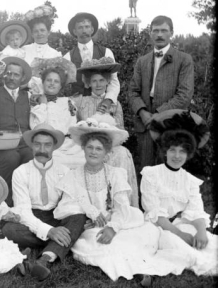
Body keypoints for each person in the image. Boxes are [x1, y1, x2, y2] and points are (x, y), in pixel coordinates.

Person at [54, 122, 173, 284]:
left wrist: (113, 227)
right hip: (91, 225)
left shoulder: (115, 174)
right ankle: (136, 271)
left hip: (118, 221)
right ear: (83, 148)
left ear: (107, 153)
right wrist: (88, 213)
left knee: (136, 237)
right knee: (105, 244)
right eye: (90, 147)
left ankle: (141, 269)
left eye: (98, 149)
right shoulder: (73, 176)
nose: (93, 152)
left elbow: (122, 206)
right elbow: (65, 208)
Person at [2, 124, 87, 281]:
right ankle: (65, 240)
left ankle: (44, 259)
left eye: (47, 144)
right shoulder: (20, 172)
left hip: (56, 214)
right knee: (9, 230)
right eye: (37, 144)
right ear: (31, 146)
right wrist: (49, 231)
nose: (42, 149)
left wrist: (55, 226)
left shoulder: (65, 171)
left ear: (54, 147)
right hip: (31, 216)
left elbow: (69, 205)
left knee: (78, 217)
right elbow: (23, 211)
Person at [141, 110, 217, 277]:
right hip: (156, 226)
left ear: (188, 154)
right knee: (183, 249)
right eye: (173, 150)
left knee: (210, 245)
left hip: (178, 224)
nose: (177, 156)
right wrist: (182, 236)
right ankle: (149, 268)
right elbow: (156, 214)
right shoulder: (151, 174)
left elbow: (196, 210)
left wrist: (202, 231)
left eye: (182, 151)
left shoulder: (190, 180)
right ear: (165, 151)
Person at [128, 16, 194, 171]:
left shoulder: (184, 59)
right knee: (146, 171)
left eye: (164, 30)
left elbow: (184, 94)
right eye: (155, 31)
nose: (159, 35)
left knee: (169, 171)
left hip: (171, 123)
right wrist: (143, 112)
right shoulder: (142, 61)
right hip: (145, 124)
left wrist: (158, 114)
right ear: (150, 33)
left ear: (171, 32)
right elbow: (133, 91)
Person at [73, 57, 139, 206]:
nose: (98, 85)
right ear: (88, 83)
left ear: (108, 82)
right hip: (86, 145)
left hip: (109, 146)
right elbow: (75, 124)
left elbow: (120, 131)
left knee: (122, 153)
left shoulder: (114, 104)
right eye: (94, 81)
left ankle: (120, 203)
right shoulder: (80, 102)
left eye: (101, 80)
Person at [0, 57, 34, 206]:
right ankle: (5, 199)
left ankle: (26, 200)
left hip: (23, 144)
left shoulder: (29, 96)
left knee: (31, 156)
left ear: (22, 78)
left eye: (16, 74)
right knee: (11, 157)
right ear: (3, 75)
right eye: (8, 73)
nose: (11, 77)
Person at [29, 57, 84, 170]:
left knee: (84, 160)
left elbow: (74, 124)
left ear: (61, 86)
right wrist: (43, 104)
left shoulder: (68, 102)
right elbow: (35, 127)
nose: (52, 84)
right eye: (49, 80)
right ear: (43, 82)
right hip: (50, 146)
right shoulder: (37, 103)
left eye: (56, 81)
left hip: (71, 145)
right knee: (56, 164)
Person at [63, 12, 120, 108]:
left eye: (87, 26)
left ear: (92, 29)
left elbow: (113, 81)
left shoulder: (106, 52)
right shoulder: (67, 57)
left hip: (102, 105)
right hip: (77, 107)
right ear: (74, 31)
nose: (84, 30)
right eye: (80, 27)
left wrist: (108, 100)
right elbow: (63, 86)